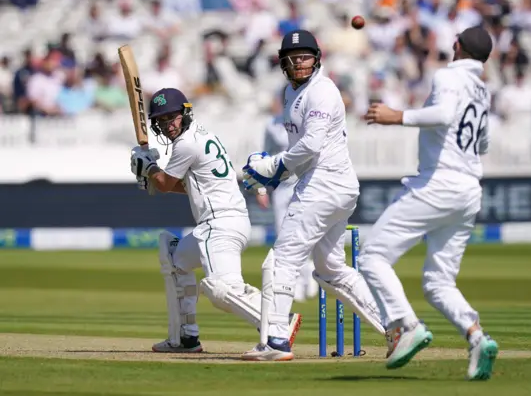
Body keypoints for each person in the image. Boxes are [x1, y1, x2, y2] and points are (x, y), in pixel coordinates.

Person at [240, 30, 392, 361]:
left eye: (306, 56)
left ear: (317, 58)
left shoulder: (322, 91)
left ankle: (276, 340)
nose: (299, 63)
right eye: (292, 58)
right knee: (329, 267)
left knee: (283, 258)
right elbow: (299, 151)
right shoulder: (289, 93)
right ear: (282, 63)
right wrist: (272, 174)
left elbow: (311, 145)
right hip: (331, 186)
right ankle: (397, 327)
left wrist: (272, 167)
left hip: (324, 186)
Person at [359, 26, 499, 379]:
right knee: (438, 282)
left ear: (456, 46)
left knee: (373, 255)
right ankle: (477, 337)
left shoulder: (448, 75)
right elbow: (482, 144)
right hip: (469, 190)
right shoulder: (482, 90)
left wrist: (397, 116)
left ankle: (406, 326)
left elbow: (444, 115)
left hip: (439, 184)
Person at [129, 88, 301, 353]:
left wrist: (150, 169)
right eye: (162, 121)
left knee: (220, 289)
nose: (168, 125)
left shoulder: (186, 144)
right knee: (175, 259)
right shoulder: (201, 135)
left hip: (218, 225)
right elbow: (185, 186)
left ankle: (279, 323)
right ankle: (186, 338)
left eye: (172, 117)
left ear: (185, 113)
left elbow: (164, 184)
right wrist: (153, 177)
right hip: (230, 222)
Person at [259, 93, 318, 303]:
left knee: (300, 232)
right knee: (282, 235)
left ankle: (306, 277)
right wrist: (262, 188)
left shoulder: (300, 121)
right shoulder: (271, 125)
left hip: (302, 182)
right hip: (281, 187)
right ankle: (296, 281)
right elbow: (264, 155)